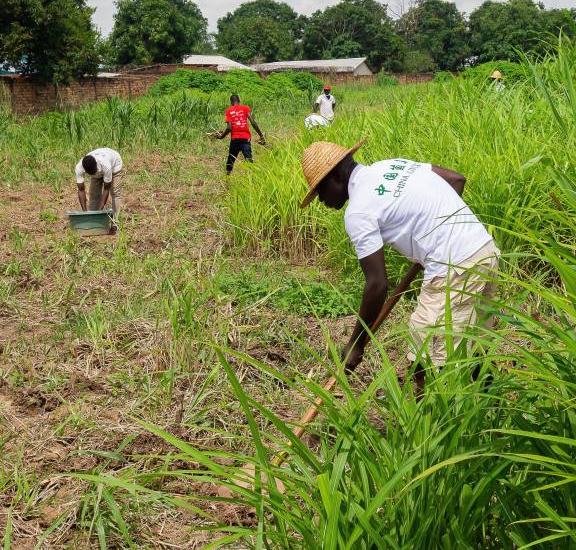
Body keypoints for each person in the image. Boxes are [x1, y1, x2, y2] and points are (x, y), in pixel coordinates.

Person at [299, 139, 499, 391]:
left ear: (336, 175)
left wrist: (356, 344)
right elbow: (456, 179)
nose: (321, 200)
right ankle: (492, 417)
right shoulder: (392, 166)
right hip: (484, 251)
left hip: (454, 266)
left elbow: (377, 285)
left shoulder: (359, 211)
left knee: (426, 358)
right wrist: (433, 231)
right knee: (473, 346)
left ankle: (431, 426)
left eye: (320, 190)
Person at [213, 94, 266, 174]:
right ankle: (252, 177)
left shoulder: (229, 111)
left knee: (231, 158)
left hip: (235, 139)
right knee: (248, 159)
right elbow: (253, 122)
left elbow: (229, 128)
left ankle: (228, 175)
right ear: (239, 100)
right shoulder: (245, 108)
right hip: (245, 138)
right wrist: (261, 135)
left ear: (231, 102)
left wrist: (222, 136)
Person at [75, 147, 123, 234]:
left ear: (96, 166)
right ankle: (94, 223)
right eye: (90, 173)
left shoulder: (106, 165)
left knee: (115, 193)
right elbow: (81, 190)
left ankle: (115, 223)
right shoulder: (79, 167)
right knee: (93, 195)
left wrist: (100, 212)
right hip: (100, 167)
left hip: (114, 164)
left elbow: (106, 189)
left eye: (94, 171)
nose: (93, 174)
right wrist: (85, 213)